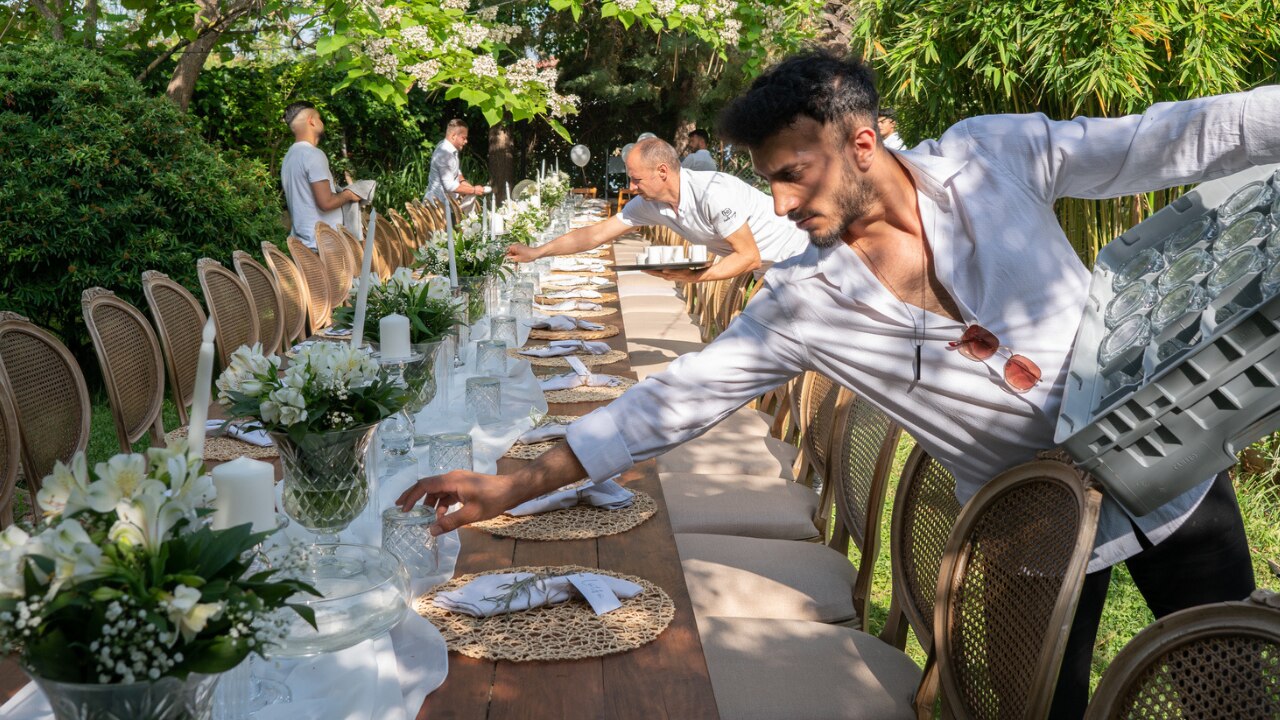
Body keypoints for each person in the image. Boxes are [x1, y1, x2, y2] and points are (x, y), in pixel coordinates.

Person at [401, 50, 1267, 717]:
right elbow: (673, 400)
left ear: (861, 142)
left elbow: (1179, 135)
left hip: (1172, 474)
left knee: (1231, 689)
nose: (776, 205)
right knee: (1036, 709)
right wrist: (513, 484)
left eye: (790, 173)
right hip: (1028, 531)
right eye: (769, 178)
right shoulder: (806, 301)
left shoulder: (991, 158)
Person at [504, 138, 808, 281]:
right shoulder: (651, 203)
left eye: (636, 180)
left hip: (802, 257)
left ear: (662, 171)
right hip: (768, 269)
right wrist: (537, 252)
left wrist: (692, 277)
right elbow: (596, 234)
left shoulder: (712, 192)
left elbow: (748, 256)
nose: (632, 188)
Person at [280, 101, 362, 249]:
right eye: (319, 118)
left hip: (303, 245)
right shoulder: (313, 154)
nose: (321, 122)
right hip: (324, 246)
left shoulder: (289, 157)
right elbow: (326, 203)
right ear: (311, 120)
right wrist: (349, 194)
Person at [424, 118, 490, 213]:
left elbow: (456, 171)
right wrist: (474, 190)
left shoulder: (448, 148)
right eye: (464, 138)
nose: (466, 141)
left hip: (444, 205)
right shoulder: (445, 153)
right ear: (454, 136)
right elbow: (450, 186)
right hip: (438, 208)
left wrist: (463, 182)